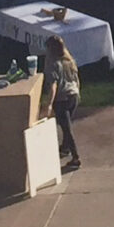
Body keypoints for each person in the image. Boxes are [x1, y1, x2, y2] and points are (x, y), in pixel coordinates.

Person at [43, 36, 82, 172]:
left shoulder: (53, 64)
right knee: (66, 123)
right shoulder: (69, 61)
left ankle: (76, 157)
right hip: (74, 96)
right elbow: (76, 79)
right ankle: (65, 148)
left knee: (66, 128)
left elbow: (53, 85)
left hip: (62, 99)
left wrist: (49, 104)